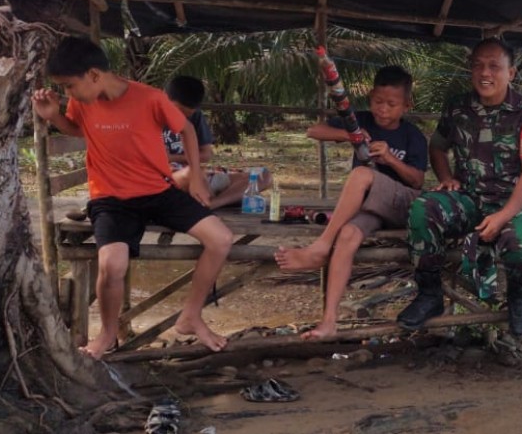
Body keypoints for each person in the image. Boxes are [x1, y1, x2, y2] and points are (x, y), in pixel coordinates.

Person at [32, 37, 234, 359]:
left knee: (221, 239)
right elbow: (77, 128)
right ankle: (107, 335)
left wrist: (196, 176)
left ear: (94, 75)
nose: (68, 94)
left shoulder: (150, 98)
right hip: (110, 198)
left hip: (158, 190)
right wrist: (54, 116)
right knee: (112, 265)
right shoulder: (83, 101)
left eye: (69, 86)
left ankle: (191, 316)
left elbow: (188, 131)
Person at [396, 38, 522, 336]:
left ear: (511, 73)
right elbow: (437, 147)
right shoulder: (457, 108)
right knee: (422, 209)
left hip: (510, 203)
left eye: (494, 66)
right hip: (467, 199)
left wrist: (504, 215)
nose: (485, 73)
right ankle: (429, 295)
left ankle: (519, 299)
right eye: (478, 65)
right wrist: (445, 177)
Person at [275, 66, 427, 340]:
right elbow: (314, 130)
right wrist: (351, 135)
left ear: (406, 105)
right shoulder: (362, 121)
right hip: (372, 206)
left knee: (360, 174)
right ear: (370, 98)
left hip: (404, 204)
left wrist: (391, 159)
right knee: (347, 234)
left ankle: (321, 246)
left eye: (391, 104)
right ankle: (329, 321)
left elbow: (417, 181)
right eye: (378, 102)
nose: (383, 109)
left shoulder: (412, 135)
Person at [162, 75, 271, 209]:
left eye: (188, 115)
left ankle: (213, 203)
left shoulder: (195, 117)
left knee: (264, 175)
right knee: (192, 172)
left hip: (201, 175)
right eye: (178, 111)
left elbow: (206, 155)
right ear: (164, 99)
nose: (181, 118)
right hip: (172, 180)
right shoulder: (147, 118)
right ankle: (220, 197)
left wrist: (172, 157)